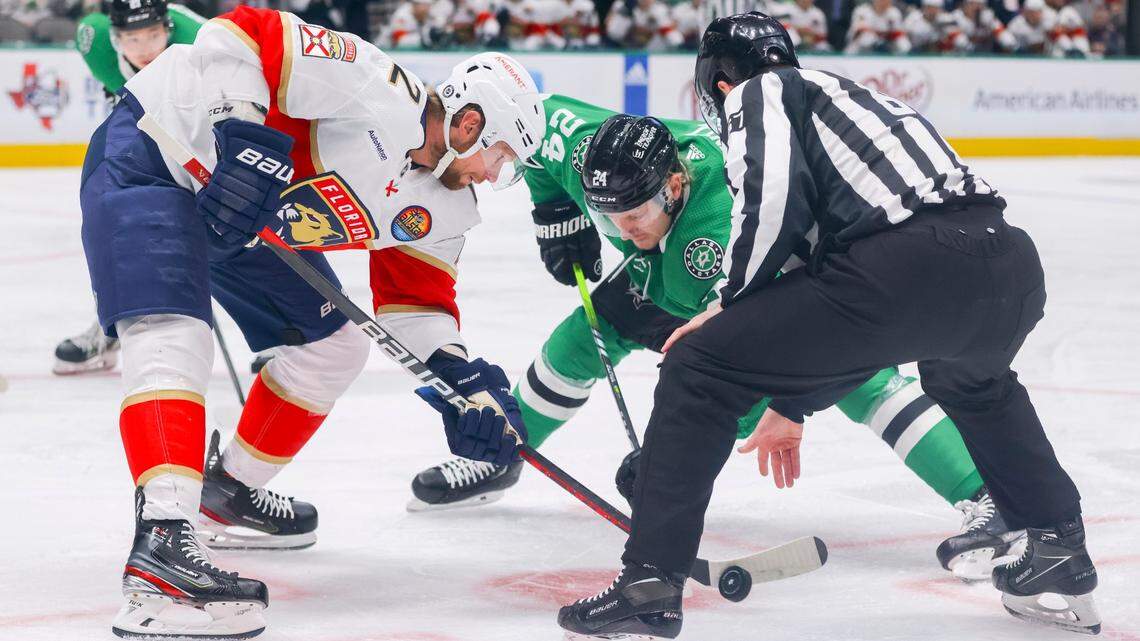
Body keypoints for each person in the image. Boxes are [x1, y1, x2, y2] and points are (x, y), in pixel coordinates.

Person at [557, 12, 1099, 639]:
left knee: (698, 365)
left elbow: (774, 202)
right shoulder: (855, 98)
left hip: (909, 266)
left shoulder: (760, 92)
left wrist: (728, 305)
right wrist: (792, 401)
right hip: (1005, 267)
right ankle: (1058, 541)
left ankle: (650, 580)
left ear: (718, 83)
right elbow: (846, 310)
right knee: (974, 386)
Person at [409, 93, 1023, 583]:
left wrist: (669, 462)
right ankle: (500, 453)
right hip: (669, 270)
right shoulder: (587, 144)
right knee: (580, 339)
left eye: (633, 216)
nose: (620, 229)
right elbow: (536, 142)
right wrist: (556, 213)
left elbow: (738, 370)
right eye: (608, 214)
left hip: (777, 284)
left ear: (673, 188)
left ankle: (988, 494)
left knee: (859, 381)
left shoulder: (712, 237)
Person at [82, 4, 542, 635]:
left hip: (244, 228)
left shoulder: (448, 205)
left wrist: (463, 380)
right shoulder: (372, 83)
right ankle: (163, 544)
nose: (496, 175)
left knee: (331, 347)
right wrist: (238, 134)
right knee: (173, 331)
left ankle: (229, 491)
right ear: (468, 121)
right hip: (156, 150)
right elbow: (240, 31)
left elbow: (417, 303)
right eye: (501, 156)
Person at [54, 0, 205, 376]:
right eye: (131, 38)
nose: (144, 49)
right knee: (123, 224)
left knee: (236, 233)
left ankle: (290, 334)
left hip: (210, 129)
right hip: (155, 136)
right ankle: (113, 329)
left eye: (153, 35)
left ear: (168, 28)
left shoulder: (201, 41)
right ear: (115, 38)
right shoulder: (95, 41)